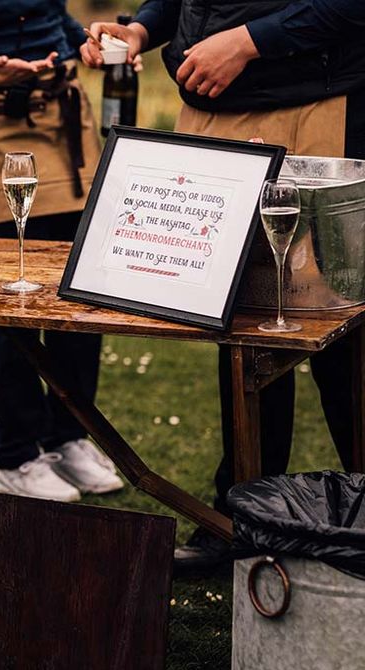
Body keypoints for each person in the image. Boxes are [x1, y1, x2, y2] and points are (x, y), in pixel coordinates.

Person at [81, 1, 365, 571]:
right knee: (236, 326)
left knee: (339, 325)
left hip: (319, 104)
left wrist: (249, 42)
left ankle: (358, 517)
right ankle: (242, 516)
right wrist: (140, 27)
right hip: (215, 112)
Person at [0, 0, 124, 502]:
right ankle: (16, 455)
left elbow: (57, 25)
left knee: (80, 296)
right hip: (3, 128)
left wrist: (86, 44)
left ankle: (68, 435)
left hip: (66, 130)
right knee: (13, 303)